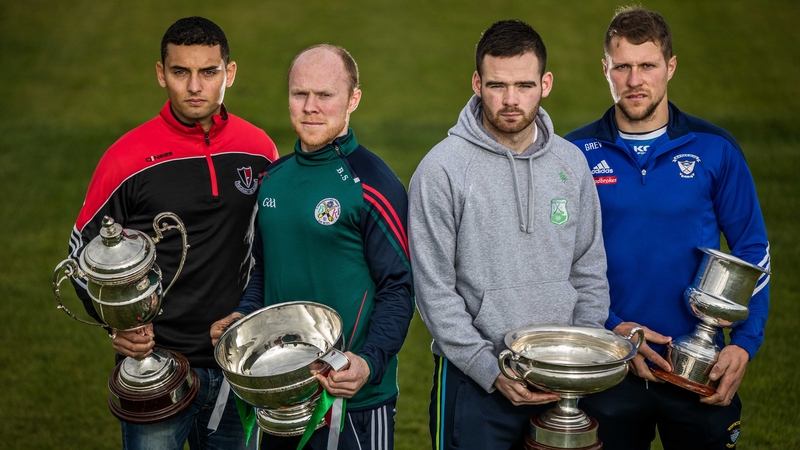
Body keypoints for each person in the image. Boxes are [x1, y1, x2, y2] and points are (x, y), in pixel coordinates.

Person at [68, 16, 279, 450]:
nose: (195, 86)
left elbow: (272, 247)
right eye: (181, 72)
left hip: (238, 365)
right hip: (155, 367)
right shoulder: (125, 158)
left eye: (209, 72)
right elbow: (79, 256)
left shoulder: (260, 149)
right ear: (162, 74)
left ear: (230, 73)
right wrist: (115, 324)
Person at [564, 6, 771, 450]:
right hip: (609, 365)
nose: (635, 79)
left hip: (700, 367)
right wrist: (613, 328)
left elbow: (752, 246)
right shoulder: (573, 154)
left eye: (647, 65)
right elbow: (556, 259)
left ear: (670, 67)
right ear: (606, 69)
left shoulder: (715, 149)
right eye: (622, 66)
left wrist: (744, 343)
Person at [408, 20, 610, 450]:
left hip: (562, 380)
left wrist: (579, 359)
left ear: (546, 83)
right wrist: (488, 369)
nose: (512, 100)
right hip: (474, 384)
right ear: (477, 83)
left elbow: (589, 267)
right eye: (498, 85)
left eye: (524, 84)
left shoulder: (572, 164)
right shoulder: (441, 170)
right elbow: (434, 291)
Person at [210, 44, 414, 450]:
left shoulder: (373, 185)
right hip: (278, 396)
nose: (310, 107)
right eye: (300, 94)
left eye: (325, 95)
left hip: (349, 399)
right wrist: (243, 317)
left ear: (352, 99)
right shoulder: (274, 179)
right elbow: (264, 273)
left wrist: (368, 363)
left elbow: (399, 289)